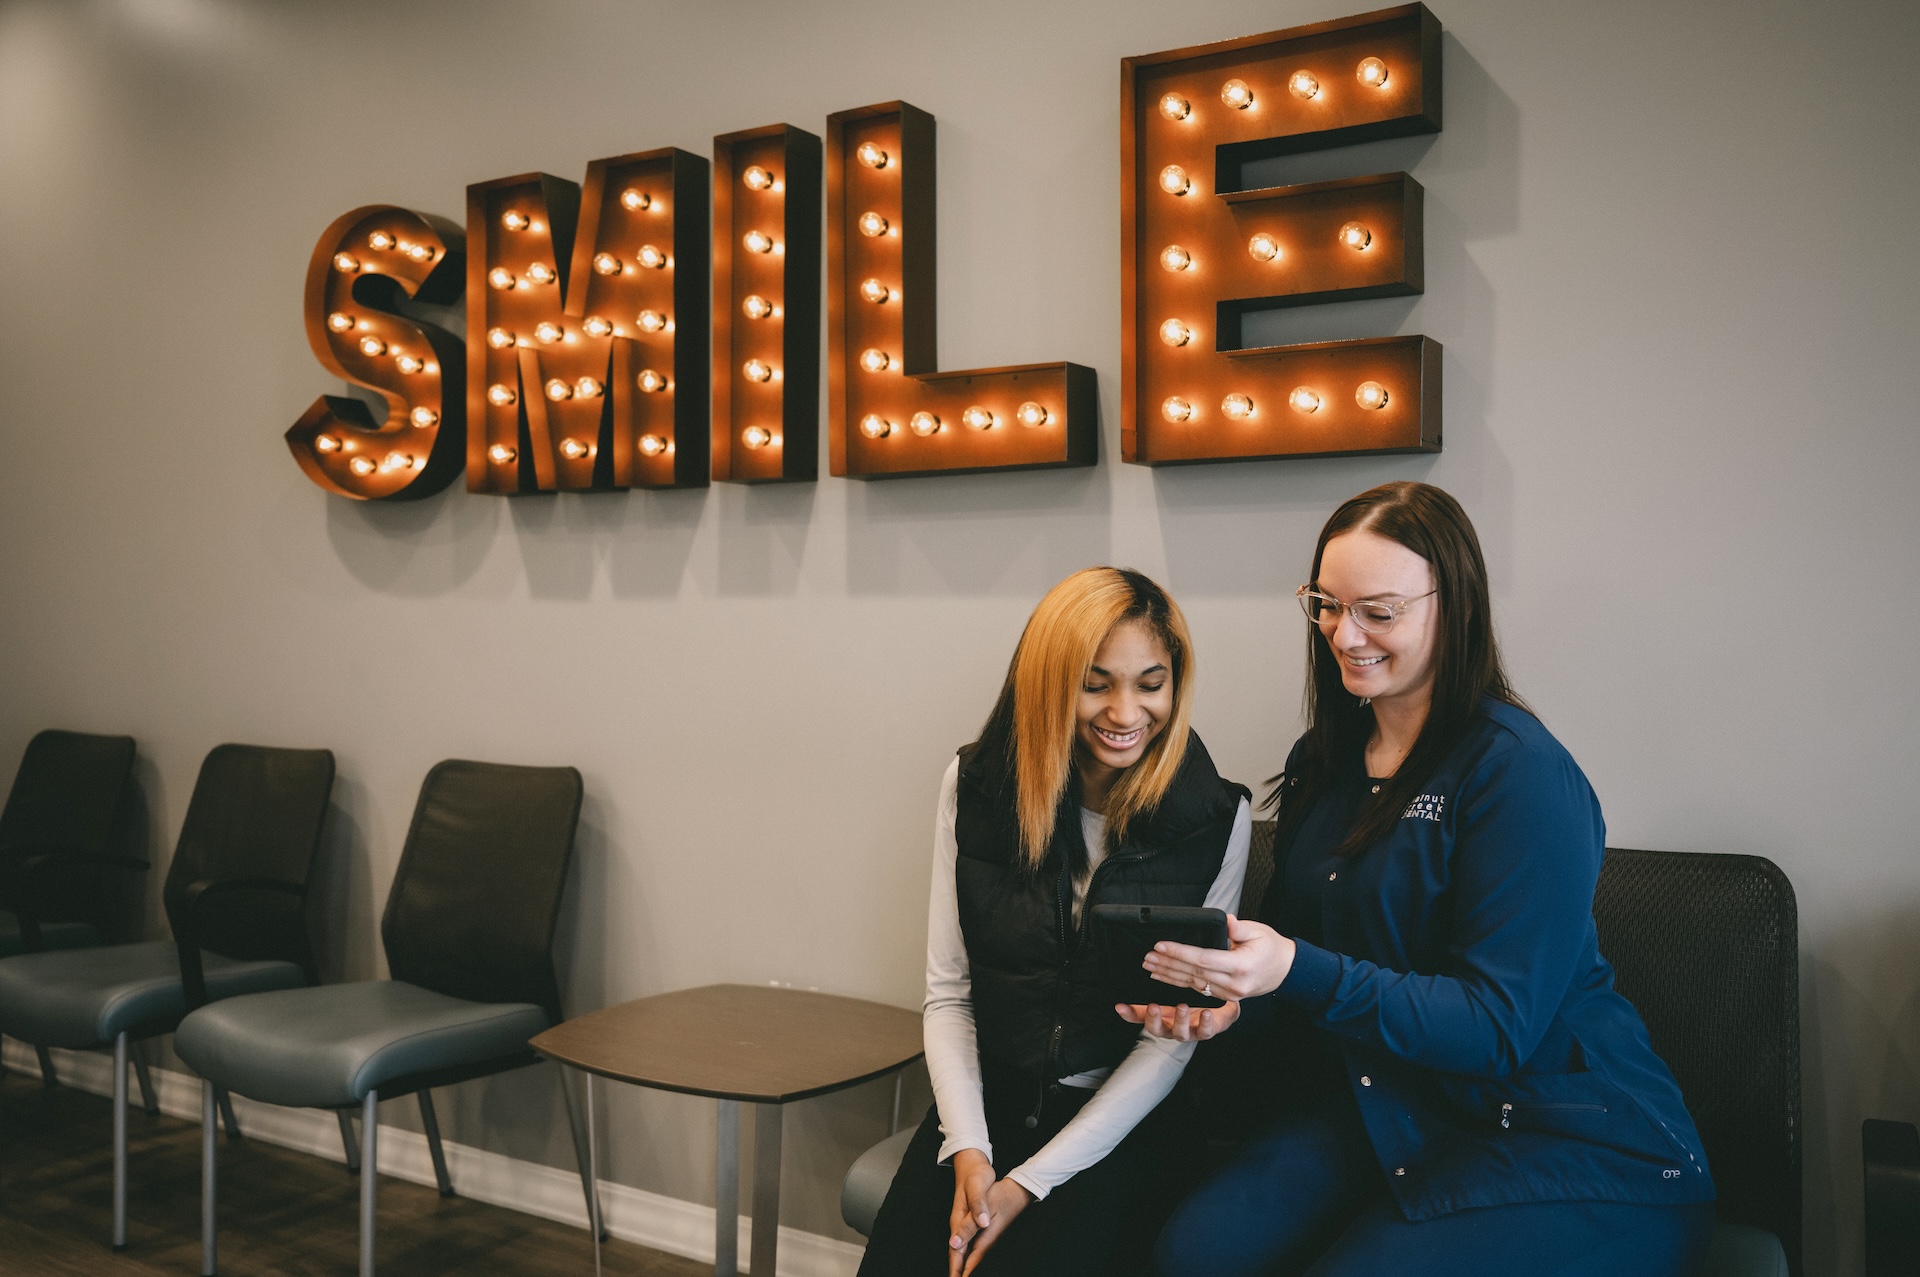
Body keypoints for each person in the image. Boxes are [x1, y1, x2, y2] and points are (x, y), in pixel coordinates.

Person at [1122, 482, 1716, 1277]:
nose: (1344, 633)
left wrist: (1295, 968)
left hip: (1569, 1134)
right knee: (1192, 1253)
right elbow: (1291, 963)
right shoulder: (1322, 762)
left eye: (1379, 611)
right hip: (1390, 1100)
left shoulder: (1520, 774)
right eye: (1327, 605)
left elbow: (1496, 1026)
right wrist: (1225, 1004)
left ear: (1455, 606)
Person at [858, 567, 1252, 1277]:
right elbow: (950, 995)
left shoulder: (1218, 818)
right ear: (1049, 682)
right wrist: (971, 1150)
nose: (1126, 711)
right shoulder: (974, 786)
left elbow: (1167, 1043)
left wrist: (1027, 1182)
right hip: (989, 1100)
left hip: (1117, 1122)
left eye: (1150, 683)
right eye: (1095, 683)